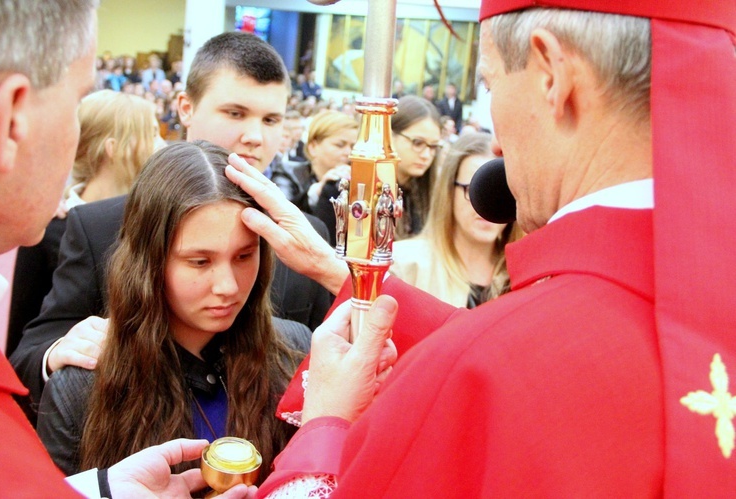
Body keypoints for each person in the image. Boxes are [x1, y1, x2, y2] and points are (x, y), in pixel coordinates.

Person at [220, 0, 736, 495]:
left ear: (551, 72)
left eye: (489, 82)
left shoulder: (488, 371)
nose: (495, 143)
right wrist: (341, 274)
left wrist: (325, 427)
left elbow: (500, 358)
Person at [0, 1, 254, 497]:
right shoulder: (90, 228)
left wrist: (104, 491)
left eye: (245, 257)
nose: (227, 284)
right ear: (10, 119)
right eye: (77, 103)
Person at [9, 31, 334, 425]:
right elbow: (25, 355)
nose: (254, 136)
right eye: (234, 113)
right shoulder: (98, 226)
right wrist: (59, 354)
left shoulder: (306, 239)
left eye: (271, 119)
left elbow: (325, 367)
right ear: (185, 107)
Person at [37, 141, 310, 483]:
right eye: (200, 262)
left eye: (244, 256)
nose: (227, 285)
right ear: (149, 261)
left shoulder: (296, 349)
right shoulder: (82, 386)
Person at [6, 90, 163, 357]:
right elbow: (22, 343)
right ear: (115, 148)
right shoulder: (50, 228)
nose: (162, 145)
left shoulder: (159, 222)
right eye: (151, 133)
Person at [391, 132, 516, 307]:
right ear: (449, 192)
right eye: (475, 191)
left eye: (502, 192)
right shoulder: (404, 265)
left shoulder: (526, 276)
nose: (489, 205)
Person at [294, 110, 358, 246]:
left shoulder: (353, 182)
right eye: (340, 145)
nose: (348, 152)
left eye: (353, 146)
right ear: (313, 147)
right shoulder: (290, 175)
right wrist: (317, 191)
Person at [391, 95, 442, 239]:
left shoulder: (432, 194)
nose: (426, 155)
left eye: (433, 146)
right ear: (390, 136)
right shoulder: (352, 190)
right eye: (418, 143)